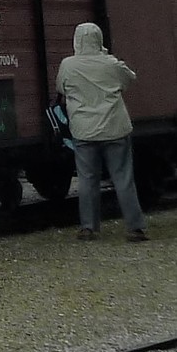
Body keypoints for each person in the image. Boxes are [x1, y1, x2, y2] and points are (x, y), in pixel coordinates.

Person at [55, 22, 149, 243]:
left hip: (84, 131)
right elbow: (129, 78)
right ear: (99, 39)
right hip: (115, 128)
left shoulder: (68, 65)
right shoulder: (110, 63)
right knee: (123, 179)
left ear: (76, 40)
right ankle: (135, 228)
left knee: (87, 180)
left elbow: (61, 88)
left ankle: (88, 227)